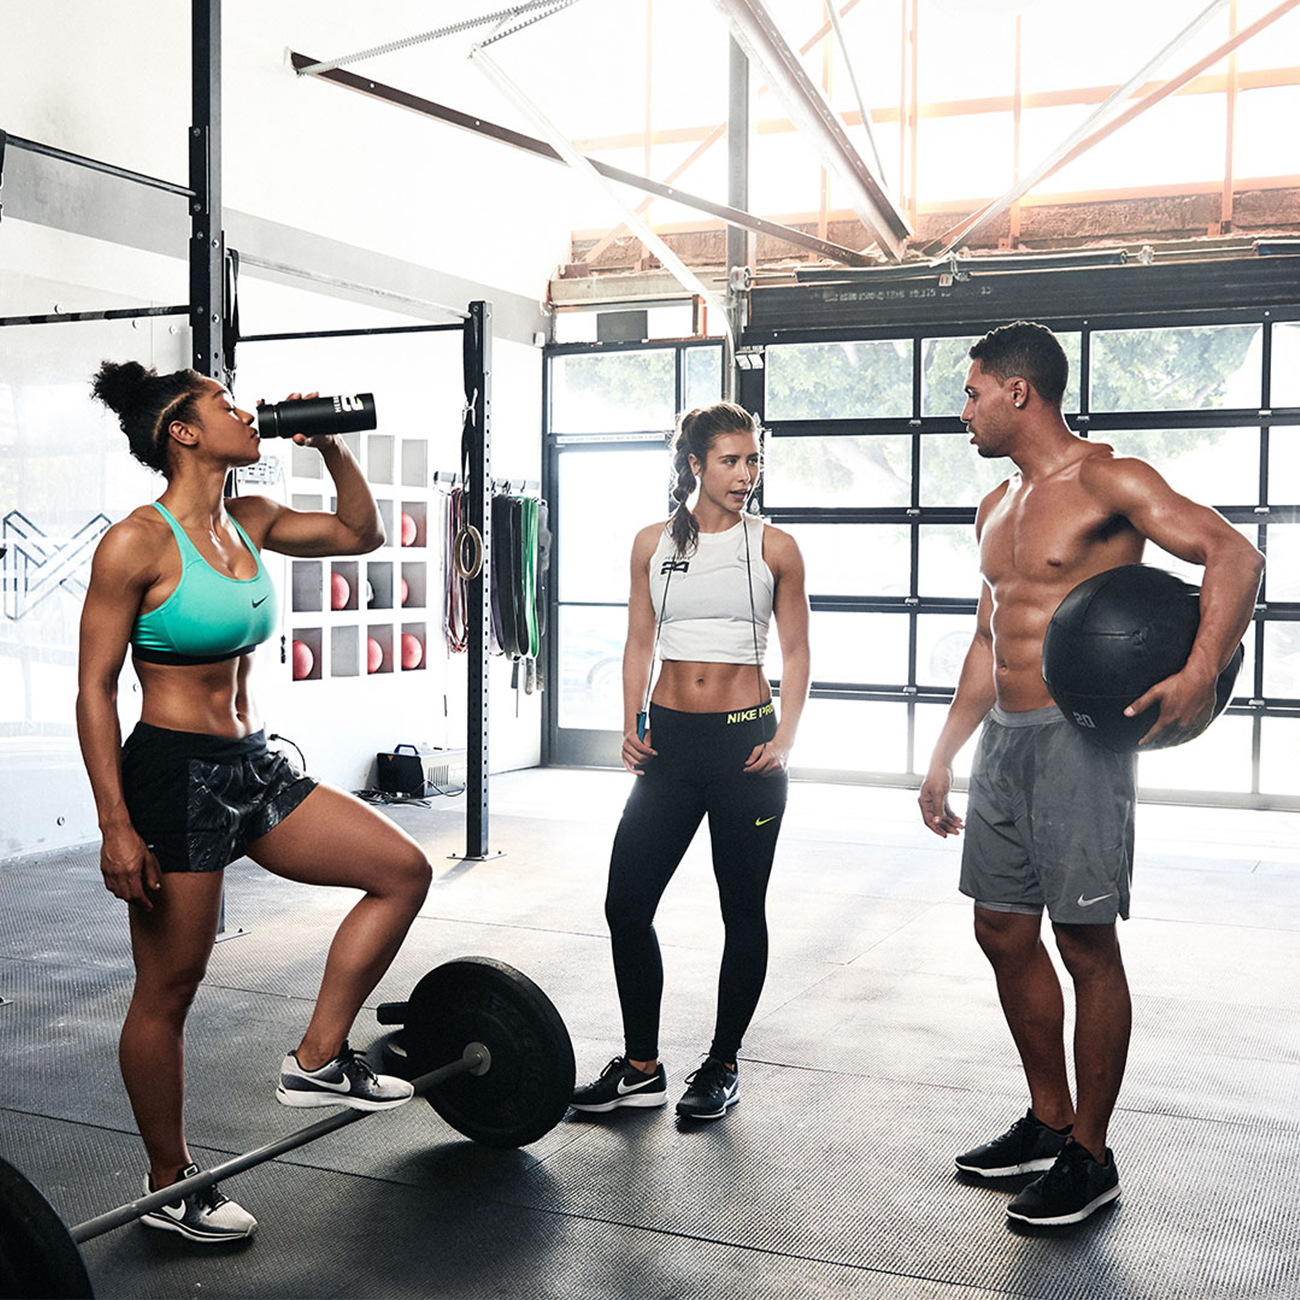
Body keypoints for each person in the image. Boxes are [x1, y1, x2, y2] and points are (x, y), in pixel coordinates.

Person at [77, 361, 433, 1244]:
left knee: (401, 871)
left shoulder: (252, 519)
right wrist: (116, 825)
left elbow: (359, 534)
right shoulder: (136, 543)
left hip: (252, 763)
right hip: (173, 775)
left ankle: (317, 1058)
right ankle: (171, 1182)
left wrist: (332, 447)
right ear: (183, 432)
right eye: (226, 405)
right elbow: (94, 690)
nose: (249, 414)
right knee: (170, 988)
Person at [918, 322, 1263, 1226]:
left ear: (1018, 392)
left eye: (972, 393)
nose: (964, 411)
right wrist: (944, 755)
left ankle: (1091, 1154)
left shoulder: (1111, 480)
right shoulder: (994, 505)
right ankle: (1047, 1119)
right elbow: (988, 640)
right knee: (1001, 930)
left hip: (1079, 740)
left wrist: (1201, 669)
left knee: (1084, 944)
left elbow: (1235, 555)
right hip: (1005, 738)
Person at [571, 402, 810, 1122]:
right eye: (731, 460)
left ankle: (722, 1063)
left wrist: (786, 738)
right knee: (625, 906)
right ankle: (641, 1067)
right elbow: (639, 641)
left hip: (746, 749)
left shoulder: (775, 547)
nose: (746, 473)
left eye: (754, 459)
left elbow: (797, 652)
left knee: (742, 910)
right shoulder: (651, 544)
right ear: (695, 464)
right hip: (669, 747)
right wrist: (630, 722)